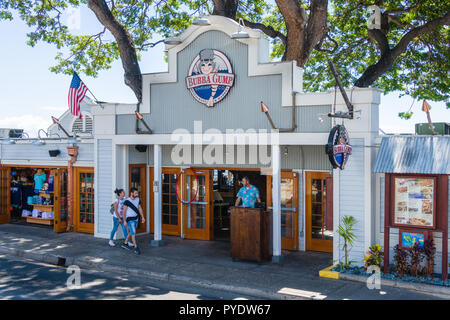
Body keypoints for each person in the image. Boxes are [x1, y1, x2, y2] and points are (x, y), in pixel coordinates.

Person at [122, 188, 146, 255]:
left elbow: (140, 208)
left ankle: (125, 243)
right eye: (135, 193)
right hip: (129, 219)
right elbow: (124, 212)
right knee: (133, 233)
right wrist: (124, 221)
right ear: (131, 193)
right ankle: (136, 247)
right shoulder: (127, 201)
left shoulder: (138, 199)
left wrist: (143, 217)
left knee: (132, 231)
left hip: (136, 218)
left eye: (137, 193)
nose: (137, 194)